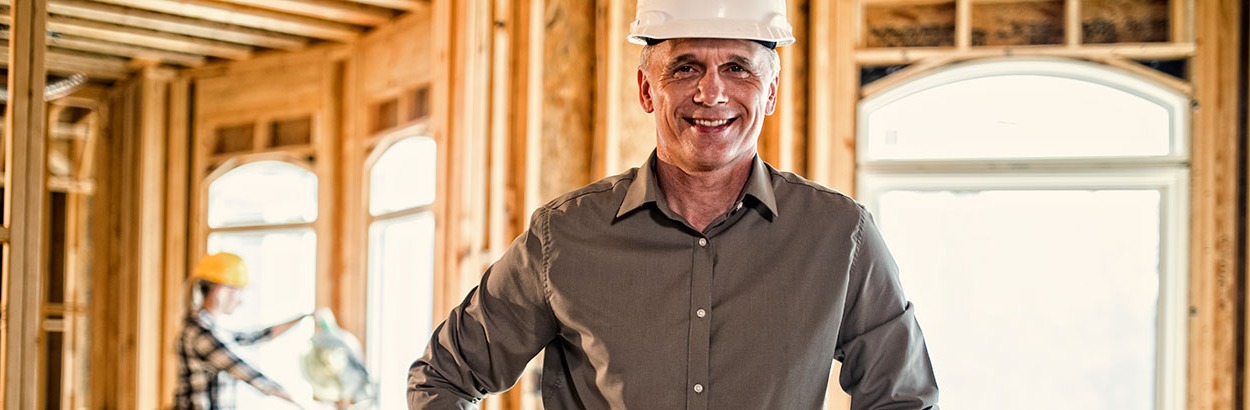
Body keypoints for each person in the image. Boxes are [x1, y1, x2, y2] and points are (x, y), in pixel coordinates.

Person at [408, 0, 940, 407]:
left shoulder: (838, 237)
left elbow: (904, 400)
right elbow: (442, 378)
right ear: (646, 89)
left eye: (738, 68)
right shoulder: (564, 237)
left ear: (770, 93)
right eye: (685, 68)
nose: (712, 94)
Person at [173, 252, 311, 409]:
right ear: (221, 290)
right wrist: (305, 403)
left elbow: (255, 337)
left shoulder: (212, 330)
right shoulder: (199, 333)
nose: (240, 300)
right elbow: (246, 373)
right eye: (237, 291)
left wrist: (305, 317)